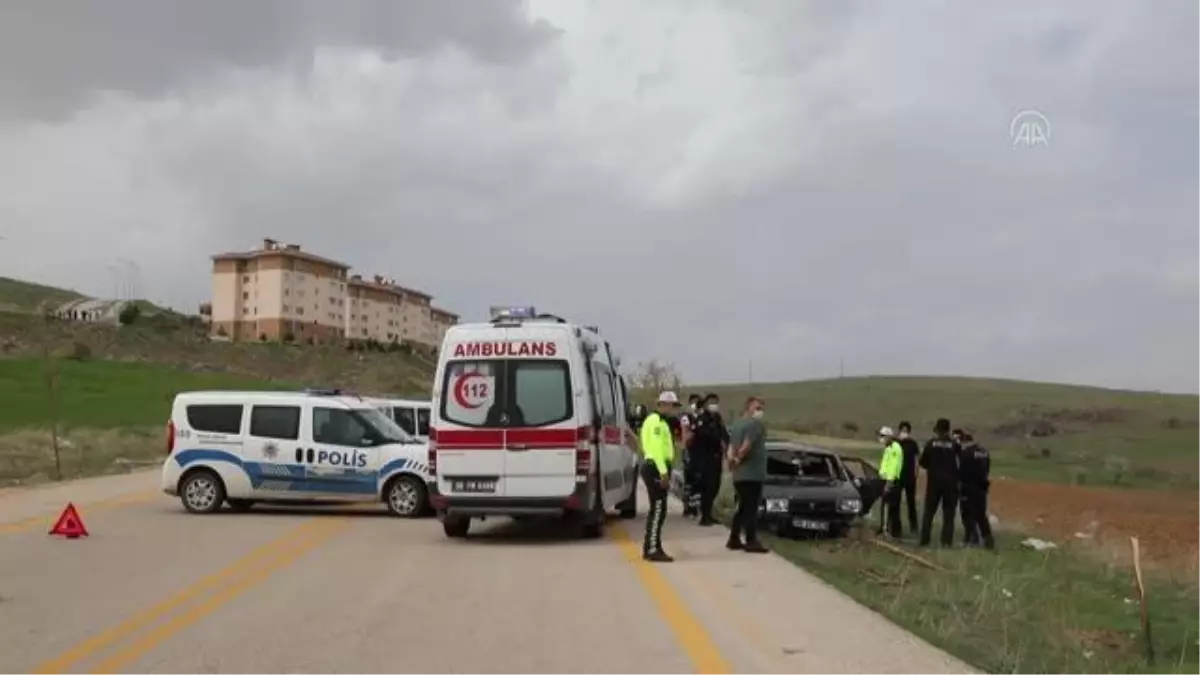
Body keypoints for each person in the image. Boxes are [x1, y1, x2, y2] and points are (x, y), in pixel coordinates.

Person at [640, 391, 682, 562]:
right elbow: (657, 449)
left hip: (657, 467)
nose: (673, 410)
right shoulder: (656, 422)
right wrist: (663, 472)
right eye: (672, 406)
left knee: (659, 509)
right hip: (656, 468)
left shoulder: (659, 421)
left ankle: (652, 546)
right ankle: (652, 548)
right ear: (663, 405)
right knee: (658, 510)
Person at [726, 397, 769, 554]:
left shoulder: (736, 425)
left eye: (761, 408)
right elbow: (747, 445)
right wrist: (738, 459)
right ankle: (751, 540)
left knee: (742, 507)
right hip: (752, 473)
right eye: (757, 408)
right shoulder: (754, 425)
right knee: (751, 508)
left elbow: (730, 446)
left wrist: (731, 461)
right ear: (748, 408)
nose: (760, 411)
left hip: (739, 475)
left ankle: (734, 537)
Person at [918, 418, 961, 547]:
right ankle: (946, 542)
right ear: (948, 430)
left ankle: (924, 540)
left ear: (937, 430)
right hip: (951, 484)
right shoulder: (955, 445)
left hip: (934, 483)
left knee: (929, 513)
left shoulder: (931, 443)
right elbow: (961, 463)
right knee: (948, 514)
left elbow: (922, 463)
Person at [690, 392, 730, 526]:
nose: (714, 405)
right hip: (704, 458)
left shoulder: (717, 418)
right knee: (707, 487)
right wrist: (718, 439)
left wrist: (726, 442)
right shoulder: (702, 419)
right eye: (711, 402)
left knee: (715, 487)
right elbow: (703, 435)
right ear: (706, 404)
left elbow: (724, 433)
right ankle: (704, 516)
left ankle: (709, 513)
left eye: (715, 402)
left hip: (716, 458)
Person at [958, 433, 995, 549]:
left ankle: (972, 539)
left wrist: (959, 487)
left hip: (968, 487)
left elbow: (961, 471)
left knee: (968, 514)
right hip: (982, 487)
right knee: (981, 515)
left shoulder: (965, 453)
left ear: (965, 441)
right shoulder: (984, 452)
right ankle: (988, 539)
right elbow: (987, 469)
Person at [876, 426, 904, 539]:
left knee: (892, 507)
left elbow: (894, 467)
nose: (881, 438)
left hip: (892, 481)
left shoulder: (895, 448)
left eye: (883, 436)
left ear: (889, 437)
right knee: (885, 505)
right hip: (885, 479)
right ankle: (884, 527)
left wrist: (889, 482)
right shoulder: (888, 448)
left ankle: (893, 531)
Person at [679, 394, 703, 517]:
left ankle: (697, 506)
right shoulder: (686, 417)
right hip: (689, 451)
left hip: (700, 452)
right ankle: (688, 507)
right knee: (689, 481)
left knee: (700, 481)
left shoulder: (702, 417)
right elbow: (685, 435)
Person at [895, 421, 921, 535]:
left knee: (911, 503)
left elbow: (918, 459)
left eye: (906, 430)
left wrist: (916, 473)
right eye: (902, 430)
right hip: (897, 477)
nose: (904, 432)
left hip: (910, 477)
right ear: (899, 430)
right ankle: (896, 527)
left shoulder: (913, 444)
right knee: (895, 503)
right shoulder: (895, 443)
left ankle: (914, 526)